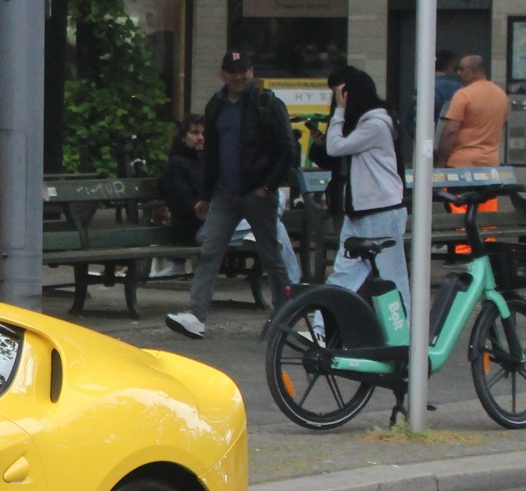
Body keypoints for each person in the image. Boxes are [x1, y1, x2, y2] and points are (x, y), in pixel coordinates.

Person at [166, 52, 295, 339]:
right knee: (210, 251)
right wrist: (206, 196)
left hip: (257, 192)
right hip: (224, 193)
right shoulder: (216, 106)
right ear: (223, 74)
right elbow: (212, 155)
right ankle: (196, 315)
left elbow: (288, 148)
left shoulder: (267, 103)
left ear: (251, 71)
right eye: (232, 71)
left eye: (243, 70)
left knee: (271, 254)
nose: (238, 76)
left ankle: (284, 312)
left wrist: (267, 187)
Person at [321, 65, 408, 302]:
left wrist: (338, 112)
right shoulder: (366, 123)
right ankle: (323, 327)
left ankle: (404, 329)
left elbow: (335, 147)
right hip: (359, 210)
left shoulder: (376, 124)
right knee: (343, 274)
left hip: (381, 210)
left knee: (391, 276)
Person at [437, 53, 508, 167]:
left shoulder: (463, 95)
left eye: (462, 69)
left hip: (462, 163)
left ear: (474, 72)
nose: (458, 73)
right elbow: (501, 125)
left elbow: (450, 131)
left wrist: (441, 159)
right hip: (490, 164)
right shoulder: (502, 95)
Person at [159, 118, 208, 244]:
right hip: (192, 230)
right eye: (195, 133)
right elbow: (183, 203)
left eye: (203, 133)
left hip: (213, 224)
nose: (201, 138)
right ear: (182, 137)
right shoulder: (176, 165)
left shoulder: (206, 162)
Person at [431, 49, 462, 140]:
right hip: (454, 142)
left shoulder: (424, 89)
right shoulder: (460, 89)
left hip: (429, 138)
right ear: (450, 66)